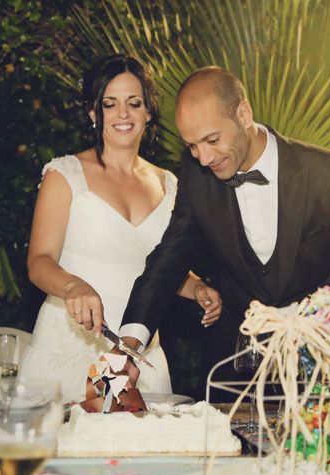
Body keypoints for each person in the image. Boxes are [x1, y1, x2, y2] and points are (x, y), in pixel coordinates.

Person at [106, 65, 330, 399]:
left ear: (244, 113)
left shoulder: (327, 173)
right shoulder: (196, 175)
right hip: (233, 375)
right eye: (192, 146)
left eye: (212, 140)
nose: (204, 158)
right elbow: (169, 259)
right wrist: (130, 345)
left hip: (318, 374)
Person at [19, 55, 221, 403]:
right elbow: (39, 261)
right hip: (70, 343)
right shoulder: (65, 174)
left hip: (139, 355)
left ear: (148, 113)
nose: (123, 115)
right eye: (110, 104)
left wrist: (198, 287)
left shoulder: (169, 184)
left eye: (134, 103)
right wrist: (71, 285)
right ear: (94, 114)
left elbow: (162, 270)